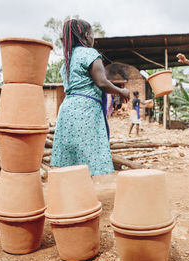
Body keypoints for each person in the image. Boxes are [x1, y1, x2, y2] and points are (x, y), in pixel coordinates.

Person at [50, 19, 130, 176]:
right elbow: (102, 82)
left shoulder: (67, 59)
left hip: (67, 109)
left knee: (72, 157)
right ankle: (84, 197)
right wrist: (121, 92)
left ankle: (72, 196)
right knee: (88, 155)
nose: (93, 38)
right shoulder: (90, 54)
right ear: (87, 35)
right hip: (85, 109)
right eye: (93, 35)